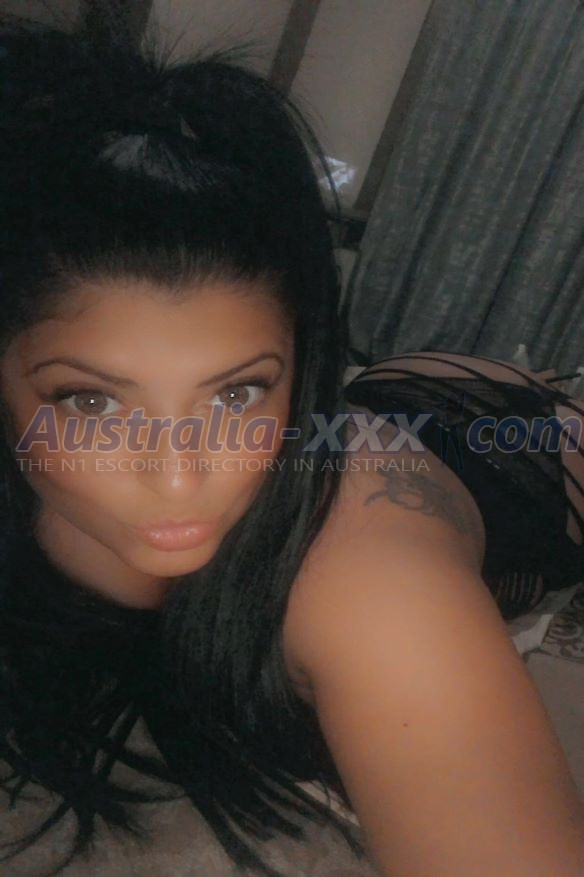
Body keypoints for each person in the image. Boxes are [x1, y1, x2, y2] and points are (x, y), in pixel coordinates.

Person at [0, 16, 582, 877]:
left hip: (510, 443)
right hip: (381, 398)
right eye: (92, 401)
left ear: (298, 367)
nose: (179, 476)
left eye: (236, 392)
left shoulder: (369, 589)